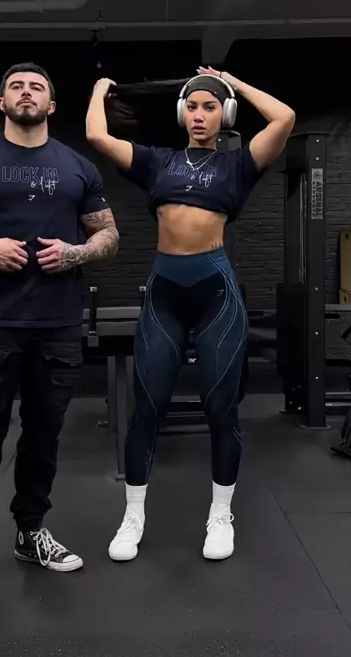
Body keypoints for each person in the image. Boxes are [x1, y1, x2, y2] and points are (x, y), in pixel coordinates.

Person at [0, 62, 119, 593]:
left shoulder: (77, 167)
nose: (26, 92)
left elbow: (108, 237)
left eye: (36, 87)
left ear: (51, 105)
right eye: (16, 86)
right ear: (2, 102)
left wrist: (76, 253)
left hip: (56, 326)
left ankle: (31, 532)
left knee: (43, 437)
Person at [86, 65, 295, 563]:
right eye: (194, 106)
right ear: (182, 113)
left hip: (215, 291)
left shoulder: (239, 165)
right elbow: (96, 135)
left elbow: (284, 117)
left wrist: (234, 83)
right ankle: (133, 516)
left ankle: (220, 515)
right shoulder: (158, 162)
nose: (201, 115)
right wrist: (98, 89)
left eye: (211, 106)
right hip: (164, 291)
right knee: (148, 408)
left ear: (225, 115)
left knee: (221, 407)